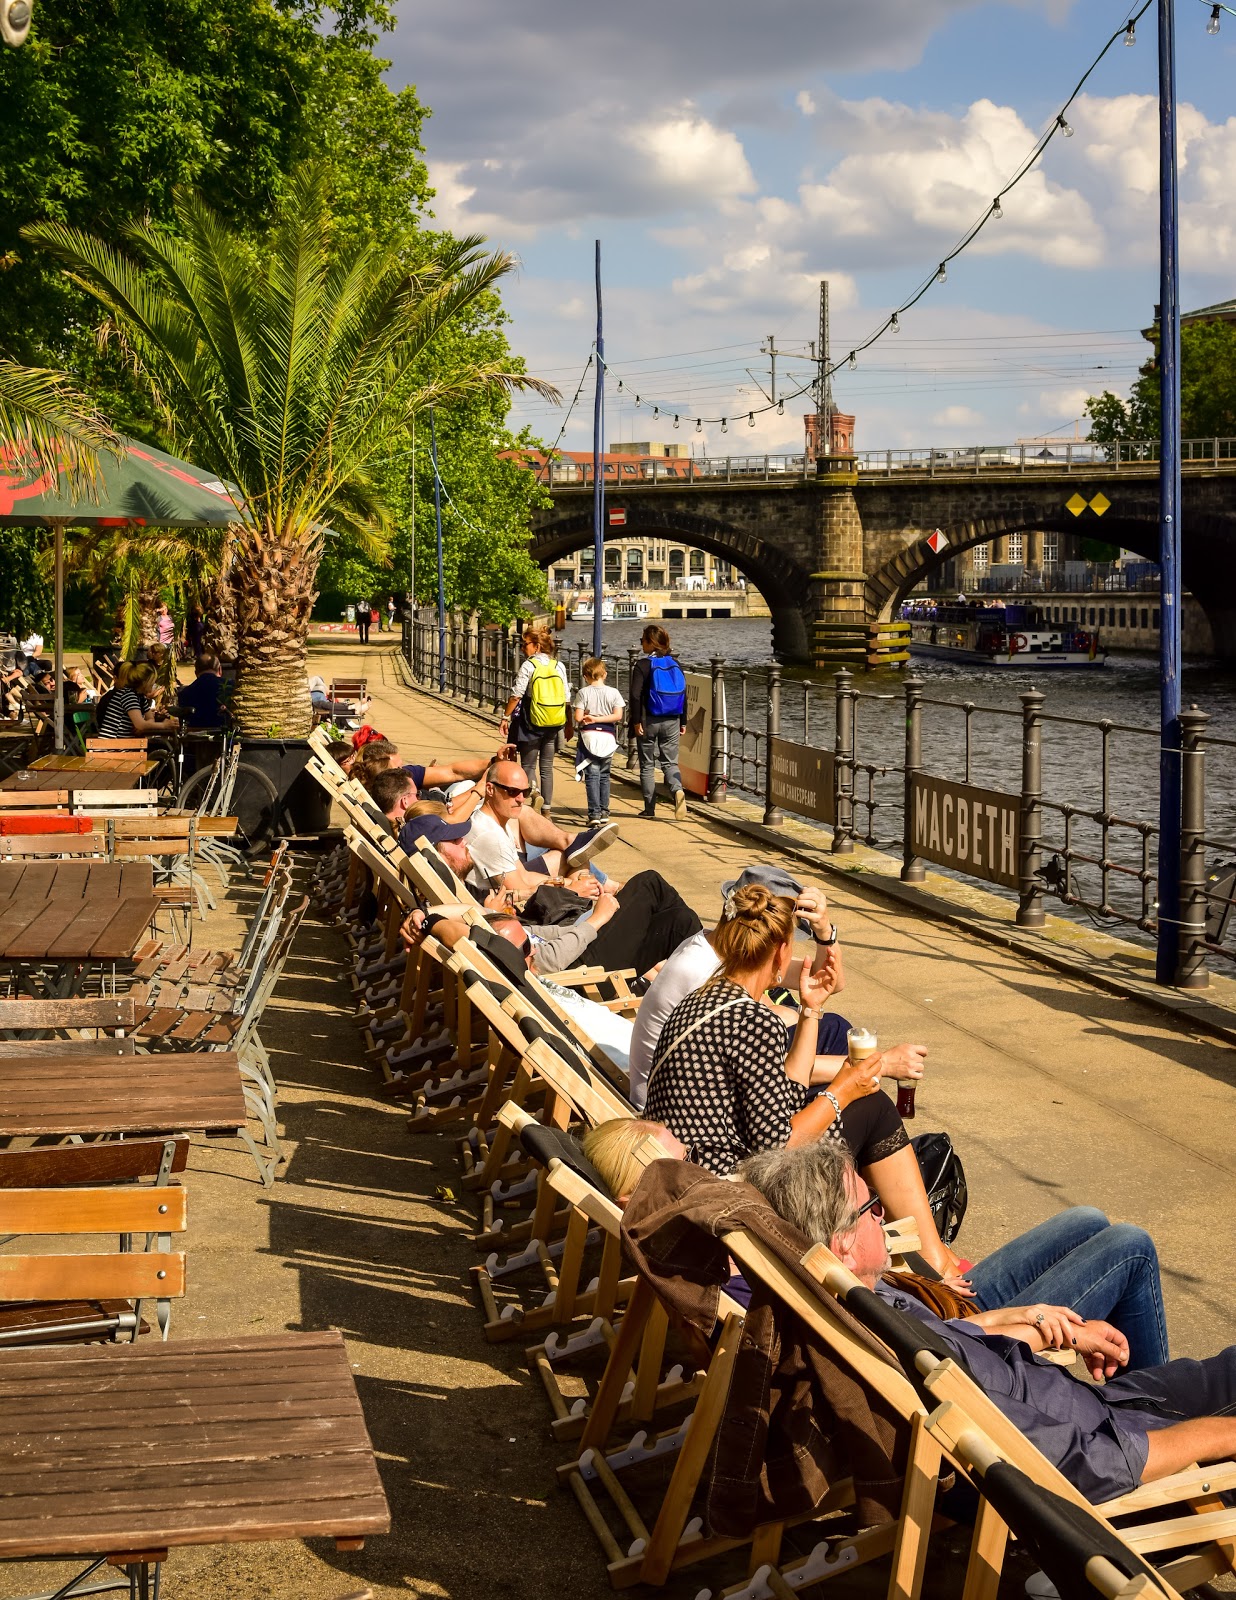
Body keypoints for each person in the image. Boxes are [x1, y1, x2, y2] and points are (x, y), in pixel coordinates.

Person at [739, 1140, 1227, 1503]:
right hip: (1110, 1433)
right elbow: (1084, 1461)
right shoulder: (895, 1345)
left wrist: (1041, 1323)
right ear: (841, 1242)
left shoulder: (862, 1306)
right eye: (870, 1208)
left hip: (1097, 1406)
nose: (883, 1212)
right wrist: (1218, 1436)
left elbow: (965, 1343)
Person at [628, 864, 929, 1111]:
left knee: (833, 1029)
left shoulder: (715, 947)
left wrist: (825, 931)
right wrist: (879, 1065)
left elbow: (829, 981)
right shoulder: (705, 972)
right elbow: (779, 1069)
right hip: (683, 1109)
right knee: (859, 1098)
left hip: (687, 1092)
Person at [464, 759, 618, 894]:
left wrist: (567, 883)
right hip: (510, 913)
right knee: (580, 872)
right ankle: (603, 893)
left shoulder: (497, 825)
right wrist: (572, 889)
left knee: (577, 859)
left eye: (525, 792)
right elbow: (520, 892)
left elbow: (524, 875)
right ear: (490, 789)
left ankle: (599, 891)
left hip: (517, 896)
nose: (520, 799)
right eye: (512, 792)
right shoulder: (490, 836)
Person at [500, 627, 570, 813]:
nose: (523, 648)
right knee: (547, 767)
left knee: (528, 764)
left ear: (537, 646)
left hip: (531, 720)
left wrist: (505, 717)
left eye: (525, 645)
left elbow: (516, 696)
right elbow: (566, 697)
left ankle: (534, 794)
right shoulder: (558, 666)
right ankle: (547, 809)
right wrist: (569, 724)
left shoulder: (529, 666)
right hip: (554, 721)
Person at [628, 624, 687, 820]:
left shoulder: (642, 665)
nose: (640, 643)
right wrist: (683, 721)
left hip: (648, 721)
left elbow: (635, 696)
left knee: (646, 765)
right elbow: (683, 694)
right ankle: (677, 790)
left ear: (650, 643)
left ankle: (649, 809)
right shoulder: (675, 664)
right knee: (670, 763)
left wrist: (636, 721)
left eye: (642, 640)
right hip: (672, 719)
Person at [573, 657, 625, 825]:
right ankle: (604, 811)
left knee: (592, 776)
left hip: (590, 738)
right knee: (604, 775)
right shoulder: (614, 693)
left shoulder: (583, 693)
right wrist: (602, 718)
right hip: (608, 738)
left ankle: (594, 813)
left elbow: (578, 717)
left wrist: (592, 718)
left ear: (585, 676)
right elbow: (618, 716)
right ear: (605, 674)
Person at [95, 660, 179, 738]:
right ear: (144, 683)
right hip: (113, 746)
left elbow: (150, 718)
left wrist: (144, 725)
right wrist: (163, 725)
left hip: (123, 744)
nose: (152, 687)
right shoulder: (128, 695)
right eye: (151, 684)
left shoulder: (140, 696)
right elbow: (140, 724)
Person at [177, 653, 226, 729]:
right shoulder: (231, 687)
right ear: (220, 670)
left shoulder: (184, 693)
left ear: (196, 673)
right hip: (227, 736)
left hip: (193, 737)